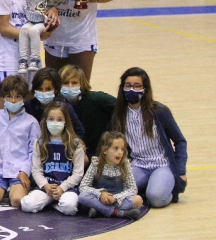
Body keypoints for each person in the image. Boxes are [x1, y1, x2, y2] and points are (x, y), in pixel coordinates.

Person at [111, 67, 187, 207]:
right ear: (122, 88)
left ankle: (168, 187)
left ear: (145, 88)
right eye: (128, 86)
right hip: (138, 164)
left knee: (156, 199)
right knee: (115, 189)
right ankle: (146, 188)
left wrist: (181, 171)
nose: (132, 89)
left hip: (162, 165)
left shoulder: (159, 112)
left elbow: (180, 141)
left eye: (137, 86)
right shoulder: (119, 114)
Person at [0, 75, 40, 207]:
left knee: (17, 201)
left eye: (17, 97)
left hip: (18, 169)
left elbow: (34, 150)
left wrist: (25, 171)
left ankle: (20, 188)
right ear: (2, 97)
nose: (13, 101)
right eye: (9, 96)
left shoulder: (31, 122)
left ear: (23, 97)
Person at [21, 102, 85, 215]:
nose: (55, 123)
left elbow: (78, 173)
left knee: (69, 208)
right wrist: (45, 186)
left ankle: (54, 203)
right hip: (47, 186)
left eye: (60, 120)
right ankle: (50, 200)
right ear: (45, 121)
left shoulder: (76, 144)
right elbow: (36, 170)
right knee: (27, 205)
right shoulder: (39, 142)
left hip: (67, 187)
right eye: (51, 119)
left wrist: (62, 188)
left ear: (66, 122)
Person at [79, 131, 144, 220]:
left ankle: (99, 210)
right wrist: (100, 194)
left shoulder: (125, 164)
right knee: (82, 197)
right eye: (116, 148)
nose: (120, 152)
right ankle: (117, 213)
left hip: (118, 201)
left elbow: (133, 189)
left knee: (138, 199)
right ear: (105, 150)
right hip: (100, 200)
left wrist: (115, 198)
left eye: (122, 149)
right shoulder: (96, 163)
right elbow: (83, 186)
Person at [19, 0, 69, 73]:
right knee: (23, 31)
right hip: (31, 21)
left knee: (33, 31)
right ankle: (23, 59)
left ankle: (35, 59)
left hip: (42, 22)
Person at [59, 64, 115, 159]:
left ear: (81, 84)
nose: (70, 86)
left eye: (74, 83)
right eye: (66, 83)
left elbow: (121, 106)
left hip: (100, 152)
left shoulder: (97, 99)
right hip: (75, 152)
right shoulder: (58, 105)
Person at [24, 67, 85, 140]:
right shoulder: (27, 107)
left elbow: (79, 132)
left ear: (55, 89)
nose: (44, 93)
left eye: (48, 89)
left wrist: (67, 145)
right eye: (40, 89)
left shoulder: (65, 107)